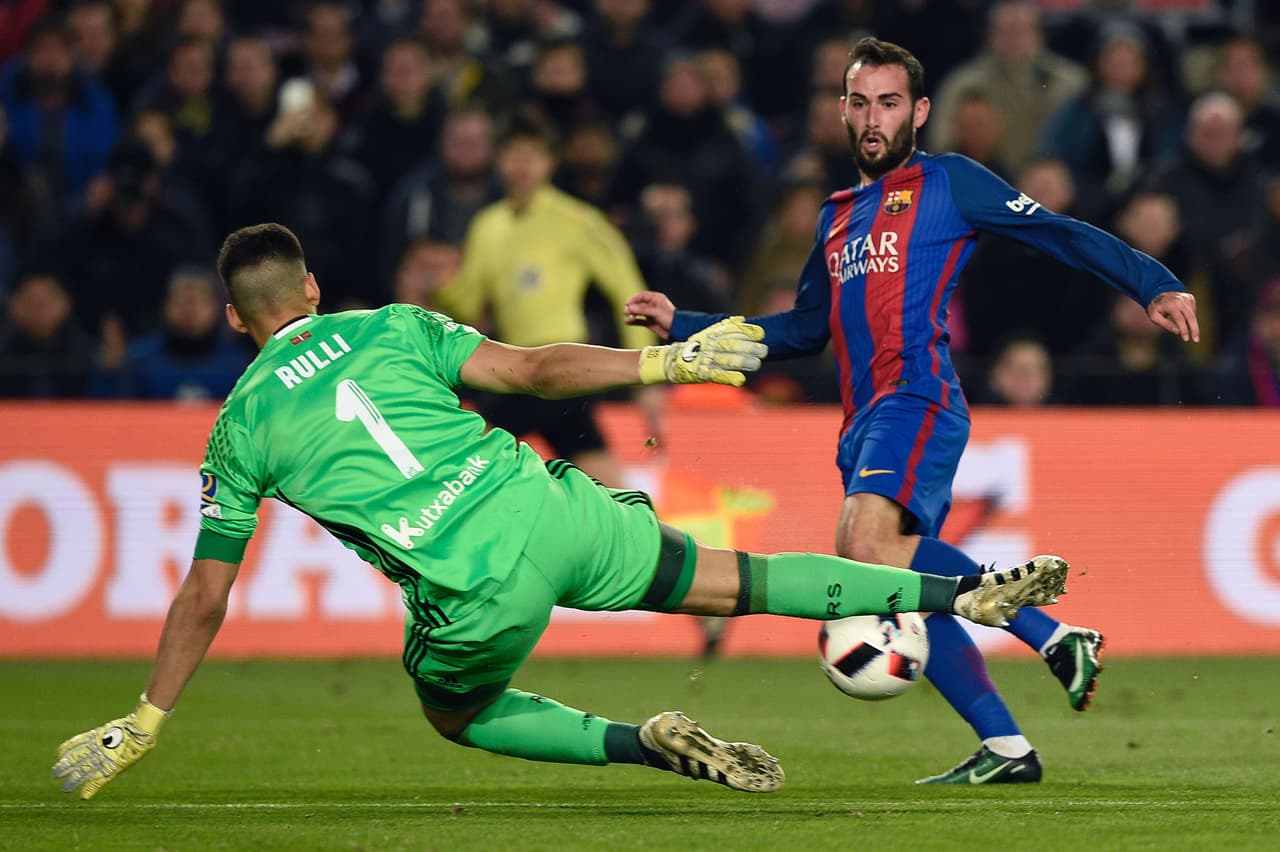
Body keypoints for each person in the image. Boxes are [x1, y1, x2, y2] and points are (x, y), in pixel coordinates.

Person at [50, 222, 1070, 800]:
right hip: (556, 508)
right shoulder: (393, 325)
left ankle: (641, 740)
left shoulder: (238, 427)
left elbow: (206, 593)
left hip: (475, 591)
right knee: (744, 581)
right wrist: (666, 362)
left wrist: (146, 721)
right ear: (313, 287)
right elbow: (535, 369)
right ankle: (960, 594)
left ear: (236, 317)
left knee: (454, 712)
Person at [625, 36, 1199, 785]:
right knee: (895, 579)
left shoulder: (949, 181)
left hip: (917, 395)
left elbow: (1056, 232)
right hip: (861, 421)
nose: (874, 119)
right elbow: (802, 330)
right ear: (842, 110)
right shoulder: (836, 217)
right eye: (861, 103)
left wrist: (1152, 282)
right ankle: (1006, 748)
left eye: (889, 103)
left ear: (920, 111)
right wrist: (687, 326)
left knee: (864, 546)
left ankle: (1053, 634)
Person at [431, 108, 653, 486]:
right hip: (515, 368)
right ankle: (644, 523)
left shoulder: (576, 220)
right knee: (602, 480)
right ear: (499, 159)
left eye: (532, 155)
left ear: (550, 162)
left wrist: (643, 369)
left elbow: (627, 288)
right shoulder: (487, 225)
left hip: (565, 365)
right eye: (513, 154)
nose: (522, 166)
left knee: (468, 464)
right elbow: (468, 304)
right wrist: (440, 286)